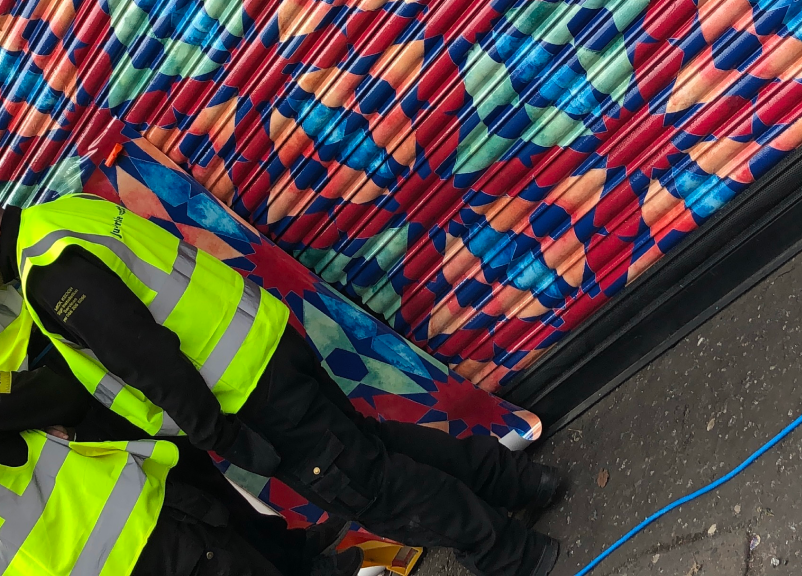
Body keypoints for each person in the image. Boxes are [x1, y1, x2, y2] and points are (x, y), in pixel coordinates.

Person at [0, 194, 562, 576]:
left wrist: (216, 433)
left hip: (242, 393)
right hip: (263, 344)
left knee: (374, 488)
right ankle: (521, 484)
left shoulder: (48, 269)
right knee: (376, 449)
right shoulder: (62, 214)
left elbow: (145, 357)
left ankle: (513, 555)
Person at [0, 363, 364, 576]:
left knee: (204, 489)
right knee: (202, 518)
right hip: (109, 502)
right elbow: (54, 393)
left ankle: (290, 554)